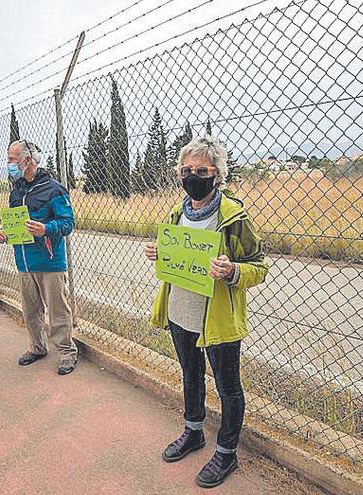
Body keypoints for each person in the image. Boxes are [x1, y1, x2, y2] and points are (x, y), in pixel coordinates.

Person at [143, 135, 268, 489]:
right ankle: (194, 431)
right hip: (181, 311)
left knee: (228, 386)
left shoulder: (233, 217)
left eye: (201, 170)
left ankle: (227, 452)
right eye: (186, 170)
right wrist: (158, 252)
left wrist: (233, 272)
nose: (192, 176)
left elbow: (259, 265)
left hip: (216, 318)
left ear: (217, 175)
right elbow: (174, 257)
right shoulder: (176, 211)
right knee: (190, 374)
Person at [0, 140, 77, 375]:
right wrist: (4, 233)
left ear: (27, 160)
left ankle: (67, 352)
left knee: (58, 309)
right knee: (30, 310)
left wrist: (45, 229)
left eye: (12, 159)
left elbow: (67, 223)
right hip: (24, 261)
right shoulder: (16, 191)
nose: (9, 164)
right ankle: (37, 347)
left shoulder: (54, 189)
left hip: (50, 261)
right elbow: (13, 222)